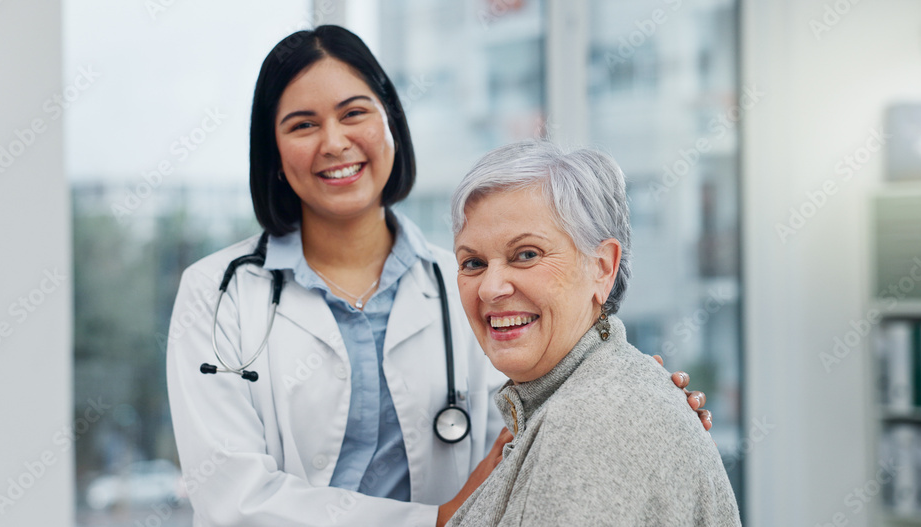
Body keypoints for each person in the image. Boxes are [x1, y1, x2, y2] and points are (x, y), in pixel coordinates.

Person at [165, 25, 711, 527]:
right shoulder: (218, 293)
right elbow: (230, 498)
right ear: (275, 153)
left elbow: (539, 403)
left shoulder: (468, 280)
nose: (332, 142)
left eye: (354, 113)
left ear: (391, 126)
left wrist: (631, 396)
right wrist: (433, 520)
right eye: (303, 125)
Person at [445, 140, 741, 526]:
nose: (490, 288)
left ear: (602, 268)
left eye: (527, 254)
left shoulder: (594, 425)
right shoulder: (590, 396)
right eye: (473, 262)